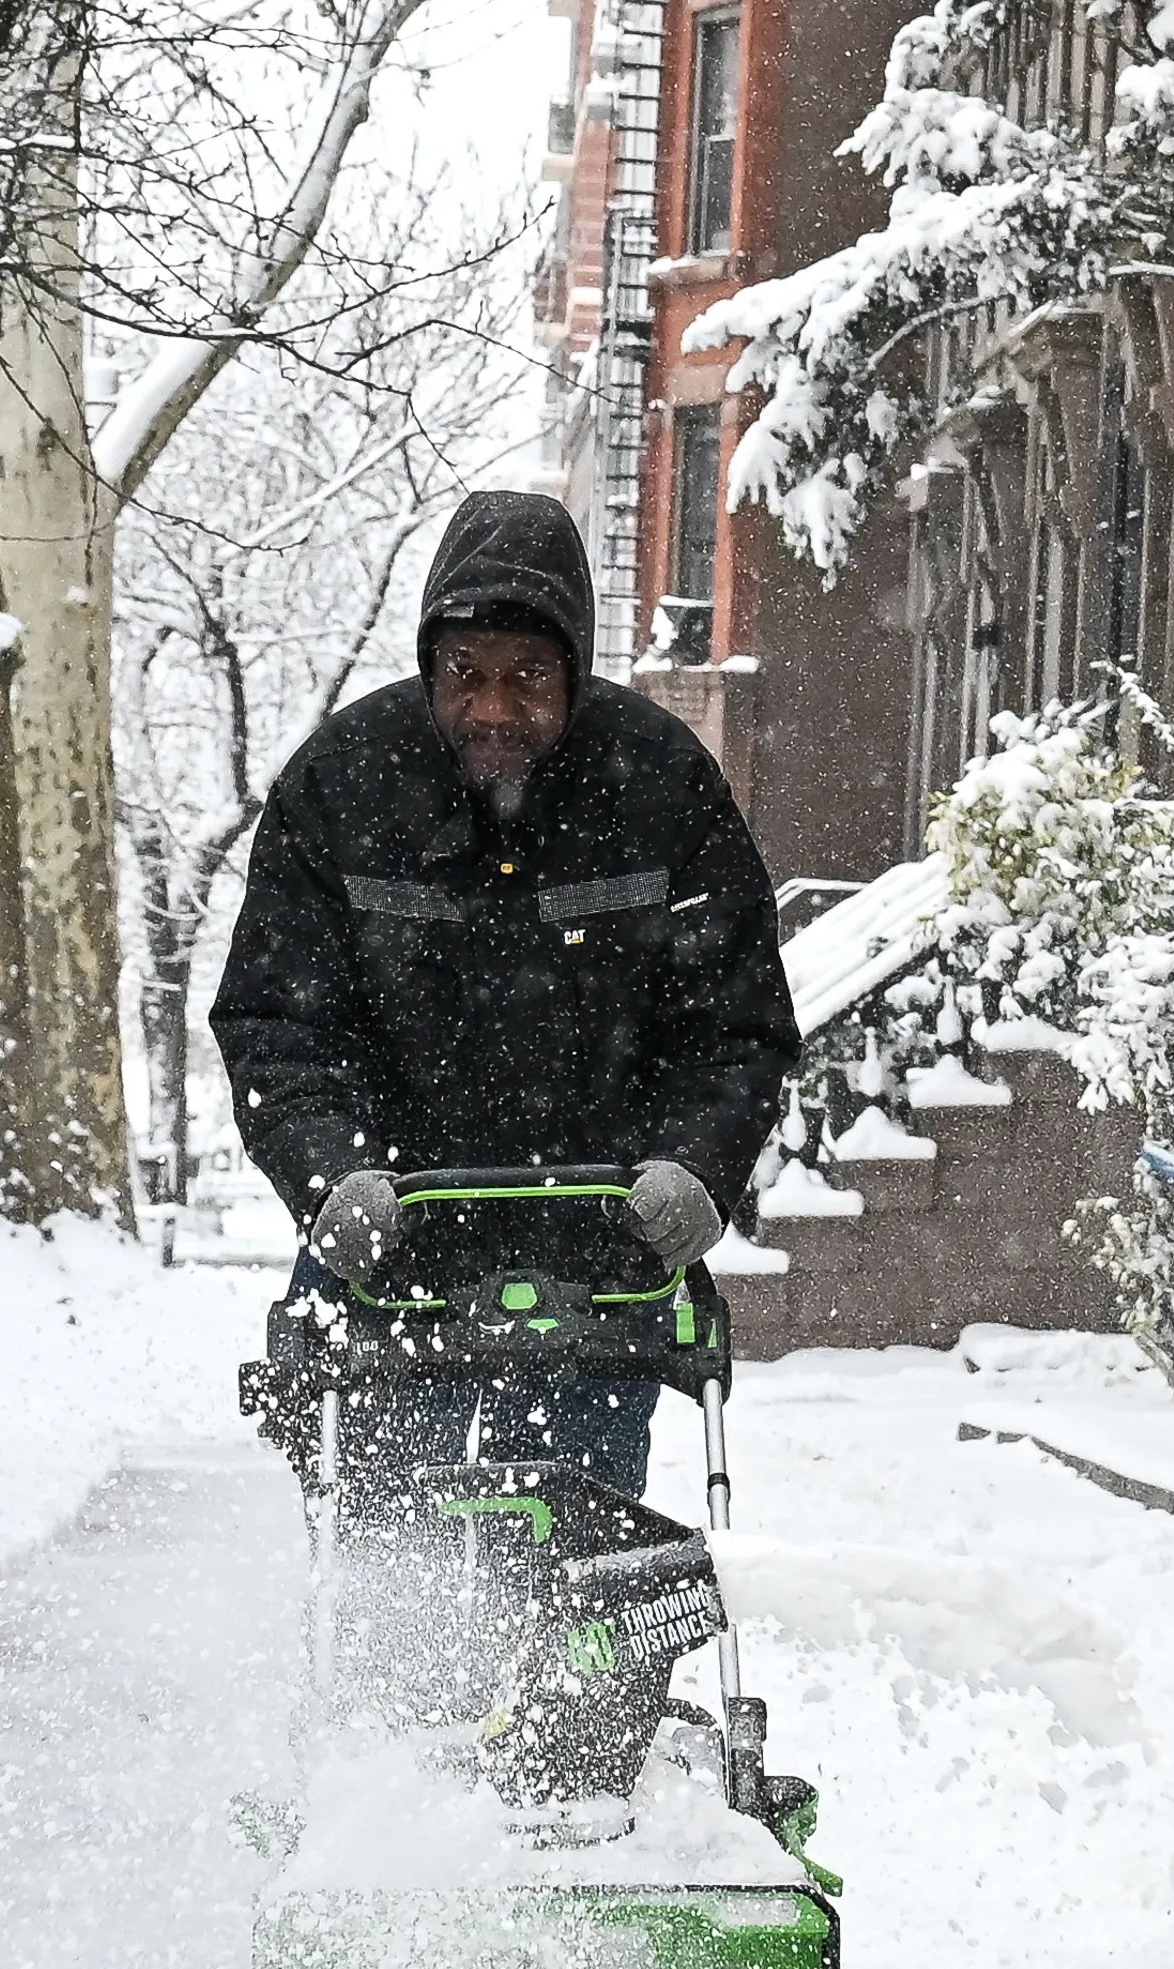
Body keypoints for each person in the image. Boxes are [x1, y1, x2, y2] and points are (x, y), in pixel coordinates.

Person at [211, 489, 798, 1503]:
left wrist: (696, 1169)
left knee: (586, 1549)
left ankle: (589, 1662)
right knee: (383, 1543)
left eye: (526, 677)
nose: (493, 707)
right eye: (467, 676)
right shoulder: (343, 787)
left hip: (600, 1262)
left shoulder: (660, 789)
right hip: (391, 1249)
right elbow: (278, 1026)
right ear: (430, 665)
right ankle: (377, 1657)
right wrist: (331, 1178)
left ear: (573, 667)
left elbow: (733, 1028)